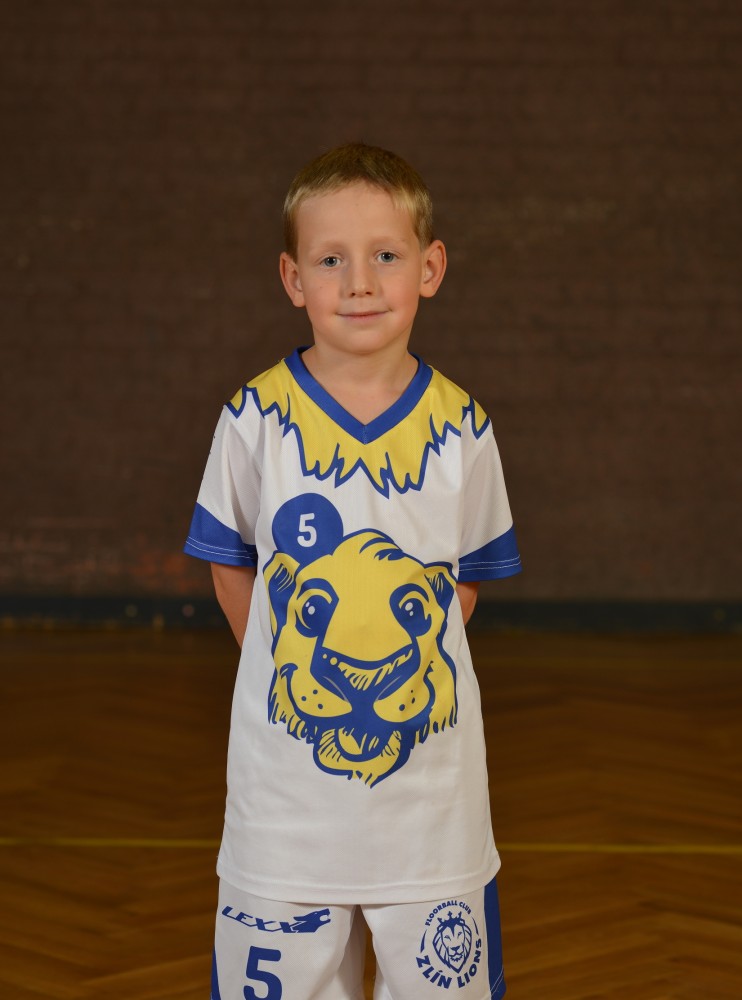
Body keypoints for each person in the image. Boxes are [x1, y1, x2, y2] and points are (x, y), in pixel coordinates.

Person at [184, 142, 521, 1000]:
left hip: (432, 811)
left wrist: (390, 661)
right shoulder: (254, 416)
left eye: (386, 256)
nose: (360, 283)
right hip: (283, 810)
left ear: (430, 268)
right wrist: (285, 665)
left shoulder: (465, 427)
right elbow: (231, 568)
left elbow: (463, 584)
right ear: (293, 279)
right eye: (331, 259)